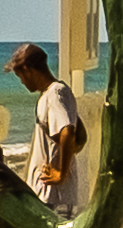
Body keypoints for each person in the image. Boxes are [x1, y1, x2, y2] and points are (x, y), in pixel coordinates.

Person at [9, 42, 84, 218]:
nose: (22, 82)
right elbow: (81, 136)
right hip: (46, 193)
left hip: (53, 196)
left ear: (28, 69)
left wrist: (61, 173)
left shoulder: (56, 94)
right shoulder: (53, 94)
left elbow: (68, 132)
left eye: (21, 76)